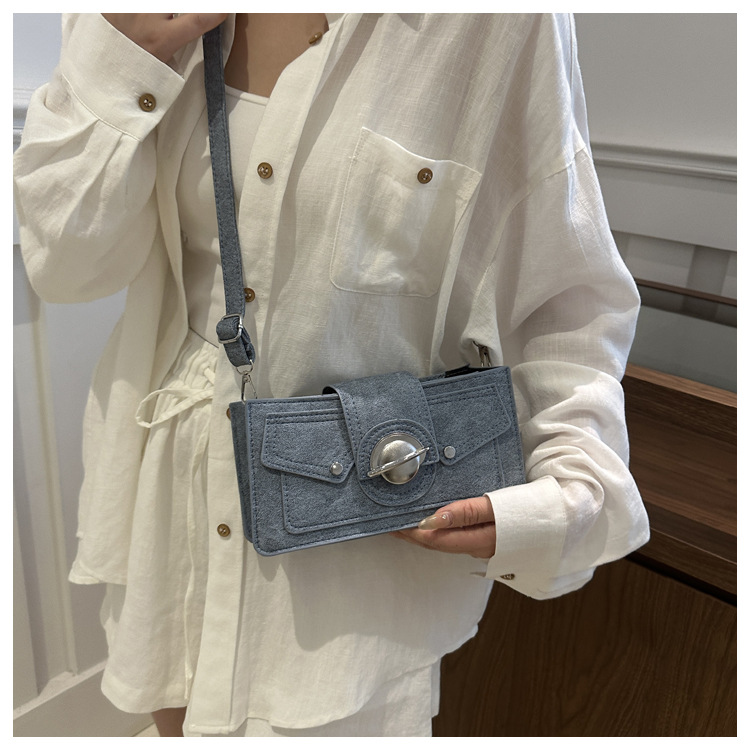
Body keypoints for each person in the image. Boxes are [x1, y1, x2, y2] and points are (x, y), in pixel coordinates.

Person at [13, 13, 650, 737]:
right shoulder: (130, 18)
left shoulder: (498, 24)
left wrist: (568, 490)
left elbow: (566, 298)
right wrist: (128, 49)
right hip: (173, 496)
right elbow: (67, 268)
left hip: (359, 541)